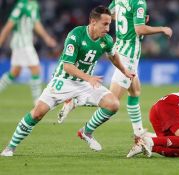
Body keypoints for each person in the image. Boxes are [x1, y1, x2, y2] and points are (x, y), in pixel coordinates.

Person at [0, 5, 134, 157]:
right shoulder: (76, 34)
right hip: (64, 80)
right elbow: (68, 66)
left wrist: (124, 70)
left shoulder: (107, 40)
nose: (108, 28)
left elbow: (113, 56)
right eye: (105, 24)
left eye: (109, 24)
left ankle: (86, 131)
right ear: (93, 22)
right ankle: (10, 147)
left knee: (113, 104)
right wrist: (89, 77)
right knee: (38, 113)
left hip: (85, 84)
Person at [58, 0, 173, 140]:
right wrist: (162, 29)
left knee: (135, 91)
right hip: (128, 55)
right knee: (111, 101)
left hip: (121, 49)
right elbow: (140, 29)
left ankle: (138, 132)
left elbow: (111, 15)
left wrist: (132, 18)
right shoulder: (139, 2)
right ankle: (80, 113)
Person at [0, 0, 57, 104]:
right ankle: (38, 101)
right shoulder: (22, 5)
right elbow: (9, 24)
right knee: (36, 69)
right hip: (22, 43)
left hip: (26, 43)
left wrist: (47, 38)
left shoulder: (34, 5)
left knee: (15, 72)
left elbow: (36, 24)